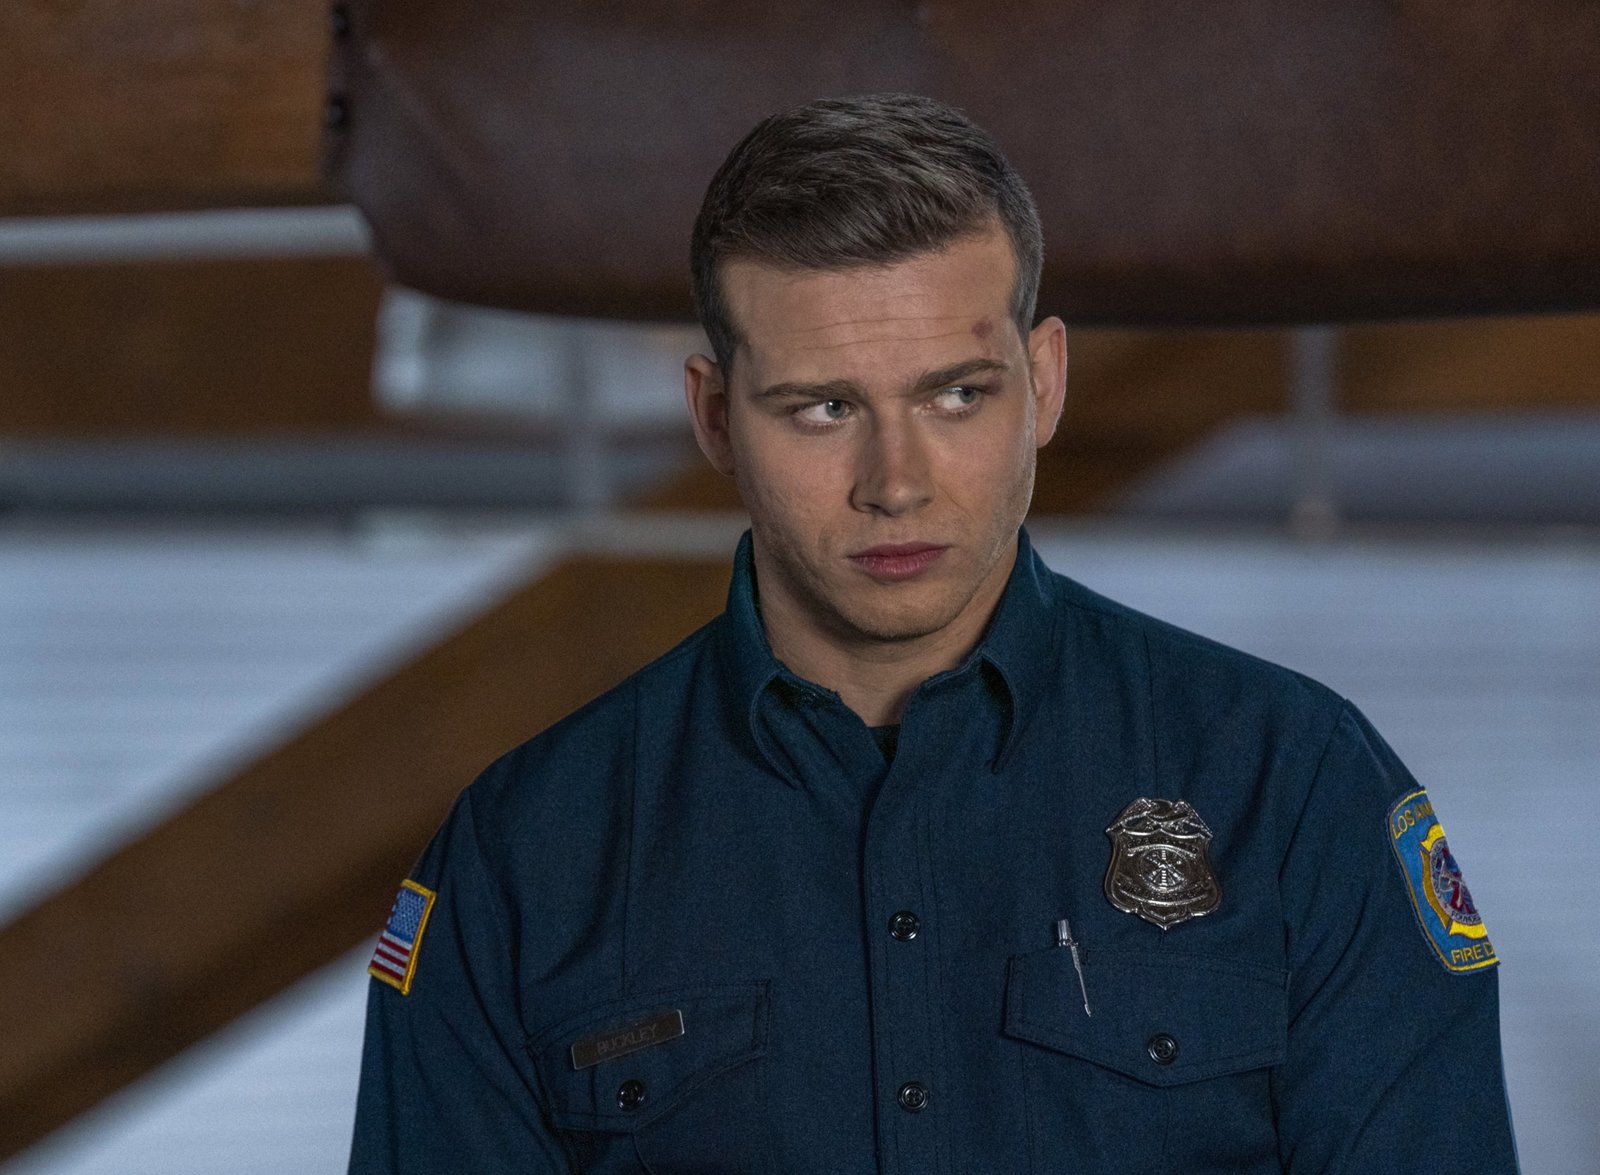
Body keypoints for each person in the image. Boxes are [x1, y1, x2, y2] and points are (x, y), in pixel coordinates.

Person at [348, 93, 1519, 1173]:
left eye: (956, 394)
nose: (895, 482)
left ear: (1043, 380)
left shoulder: (1294, 780)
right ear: (714, 417)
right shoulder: (525, 852)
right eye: (823, 407)